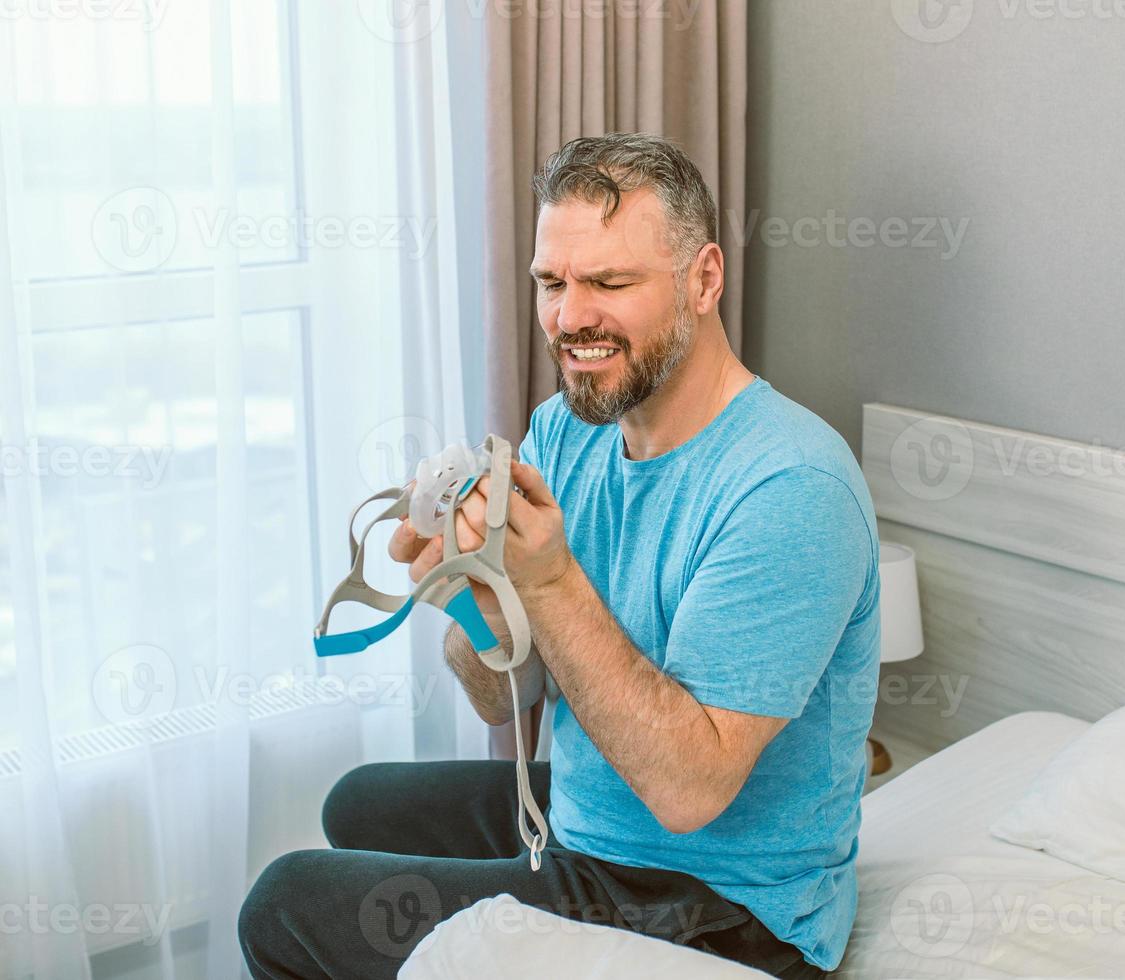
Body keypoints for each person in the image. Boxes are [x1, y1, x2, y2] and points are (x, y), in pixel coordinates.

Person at [238, 132, 881, 979]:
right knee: (356, 803)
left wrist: (547, 577)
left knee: (286, 903)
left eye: (610, 283)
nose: (571, 317)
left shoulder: (790, 488)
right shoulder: (567, 432)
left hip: (720, 906)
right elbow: (507, 696)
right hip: (593, 822)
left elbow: (689, 793)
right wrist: (464, 587)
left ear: (703, 279)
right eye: (552, 282)